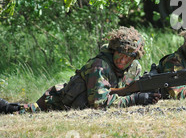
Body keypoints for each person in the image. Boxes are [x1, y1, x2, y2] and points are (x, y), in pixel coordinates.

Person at [0, 26, 160, 114]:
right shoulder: (99, 66)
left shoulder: (135, 69)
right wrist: (136, 99)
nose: (123, 60)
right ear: (113, 50)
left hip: (79, 104)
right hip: (57, 104)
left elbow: (120, 91)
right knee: (22, 112)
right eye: (120, 54)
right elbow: (98, 103)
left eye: (128, 57)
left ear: (135, 57)